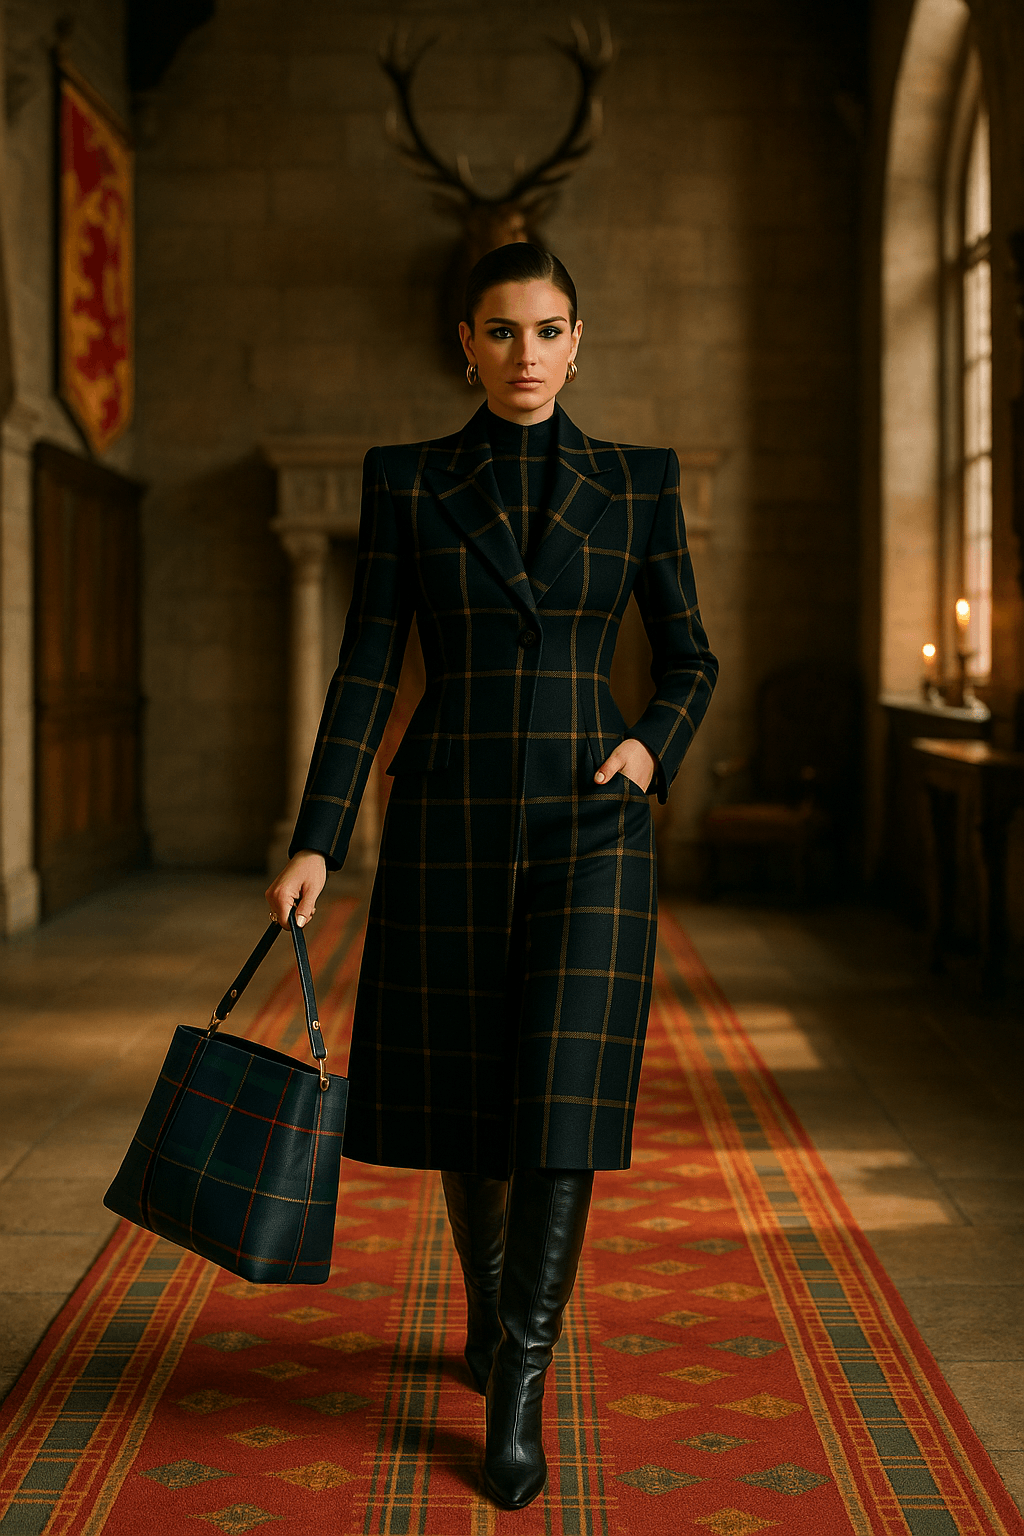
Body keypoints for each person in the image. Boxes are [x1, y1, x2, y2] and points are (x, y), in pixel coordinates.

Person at [266, 242, 718, 1510]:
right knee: (474, 1090)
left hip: (592, 828)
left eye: (551, 330)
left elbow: (691, 658)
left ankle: (519, 1375)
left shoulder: (637, 484)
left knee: (560, 1095)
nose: (528, 356)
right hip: (450, 817)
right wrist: (317, 837)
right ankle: (485, 1302)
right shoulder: (408, 482)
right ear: (463, 343)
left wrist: (647, 752)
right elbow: (366, 667)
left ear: (582, 341)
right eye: (503, 333)